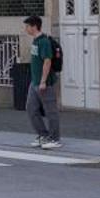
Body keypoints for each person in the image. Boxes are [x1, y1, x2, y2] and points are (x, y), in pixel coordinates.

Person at [24, 14, 60, 149]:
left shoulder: (44, 42)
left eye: (27, 26)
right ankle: (43, 135)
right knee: (30, 108)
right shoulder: (35, 40)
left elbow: (47, 61)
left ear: (34, 26)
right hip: (34, 82)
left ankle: (55, 138)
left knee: (51, 111)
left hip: (45, 83)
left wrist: (43, 81)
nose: (26, 29)